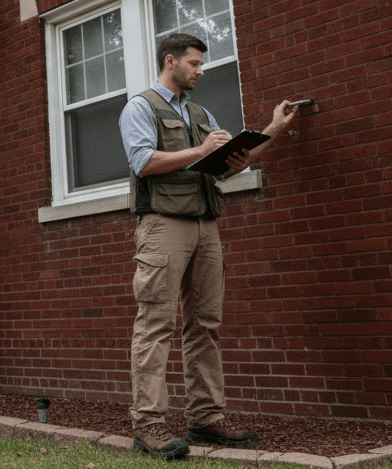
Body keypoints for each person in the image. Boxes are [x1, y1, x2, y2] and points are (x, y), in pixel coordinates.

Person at [118, 33, 299, 460]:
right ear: (170, 61)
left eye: (202, 64)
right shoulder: (141, 106)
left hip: (206, 225)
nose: (201, 70)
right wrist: (201, 149)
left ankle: (205, 417)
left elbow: (223, 167)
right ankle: (148, 424)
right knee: (156, 324)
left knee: (205, 325)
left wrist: (272, 130)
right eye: (194, 63)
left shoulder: (200, 113)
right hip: (163, 225)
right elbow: (143, 161)